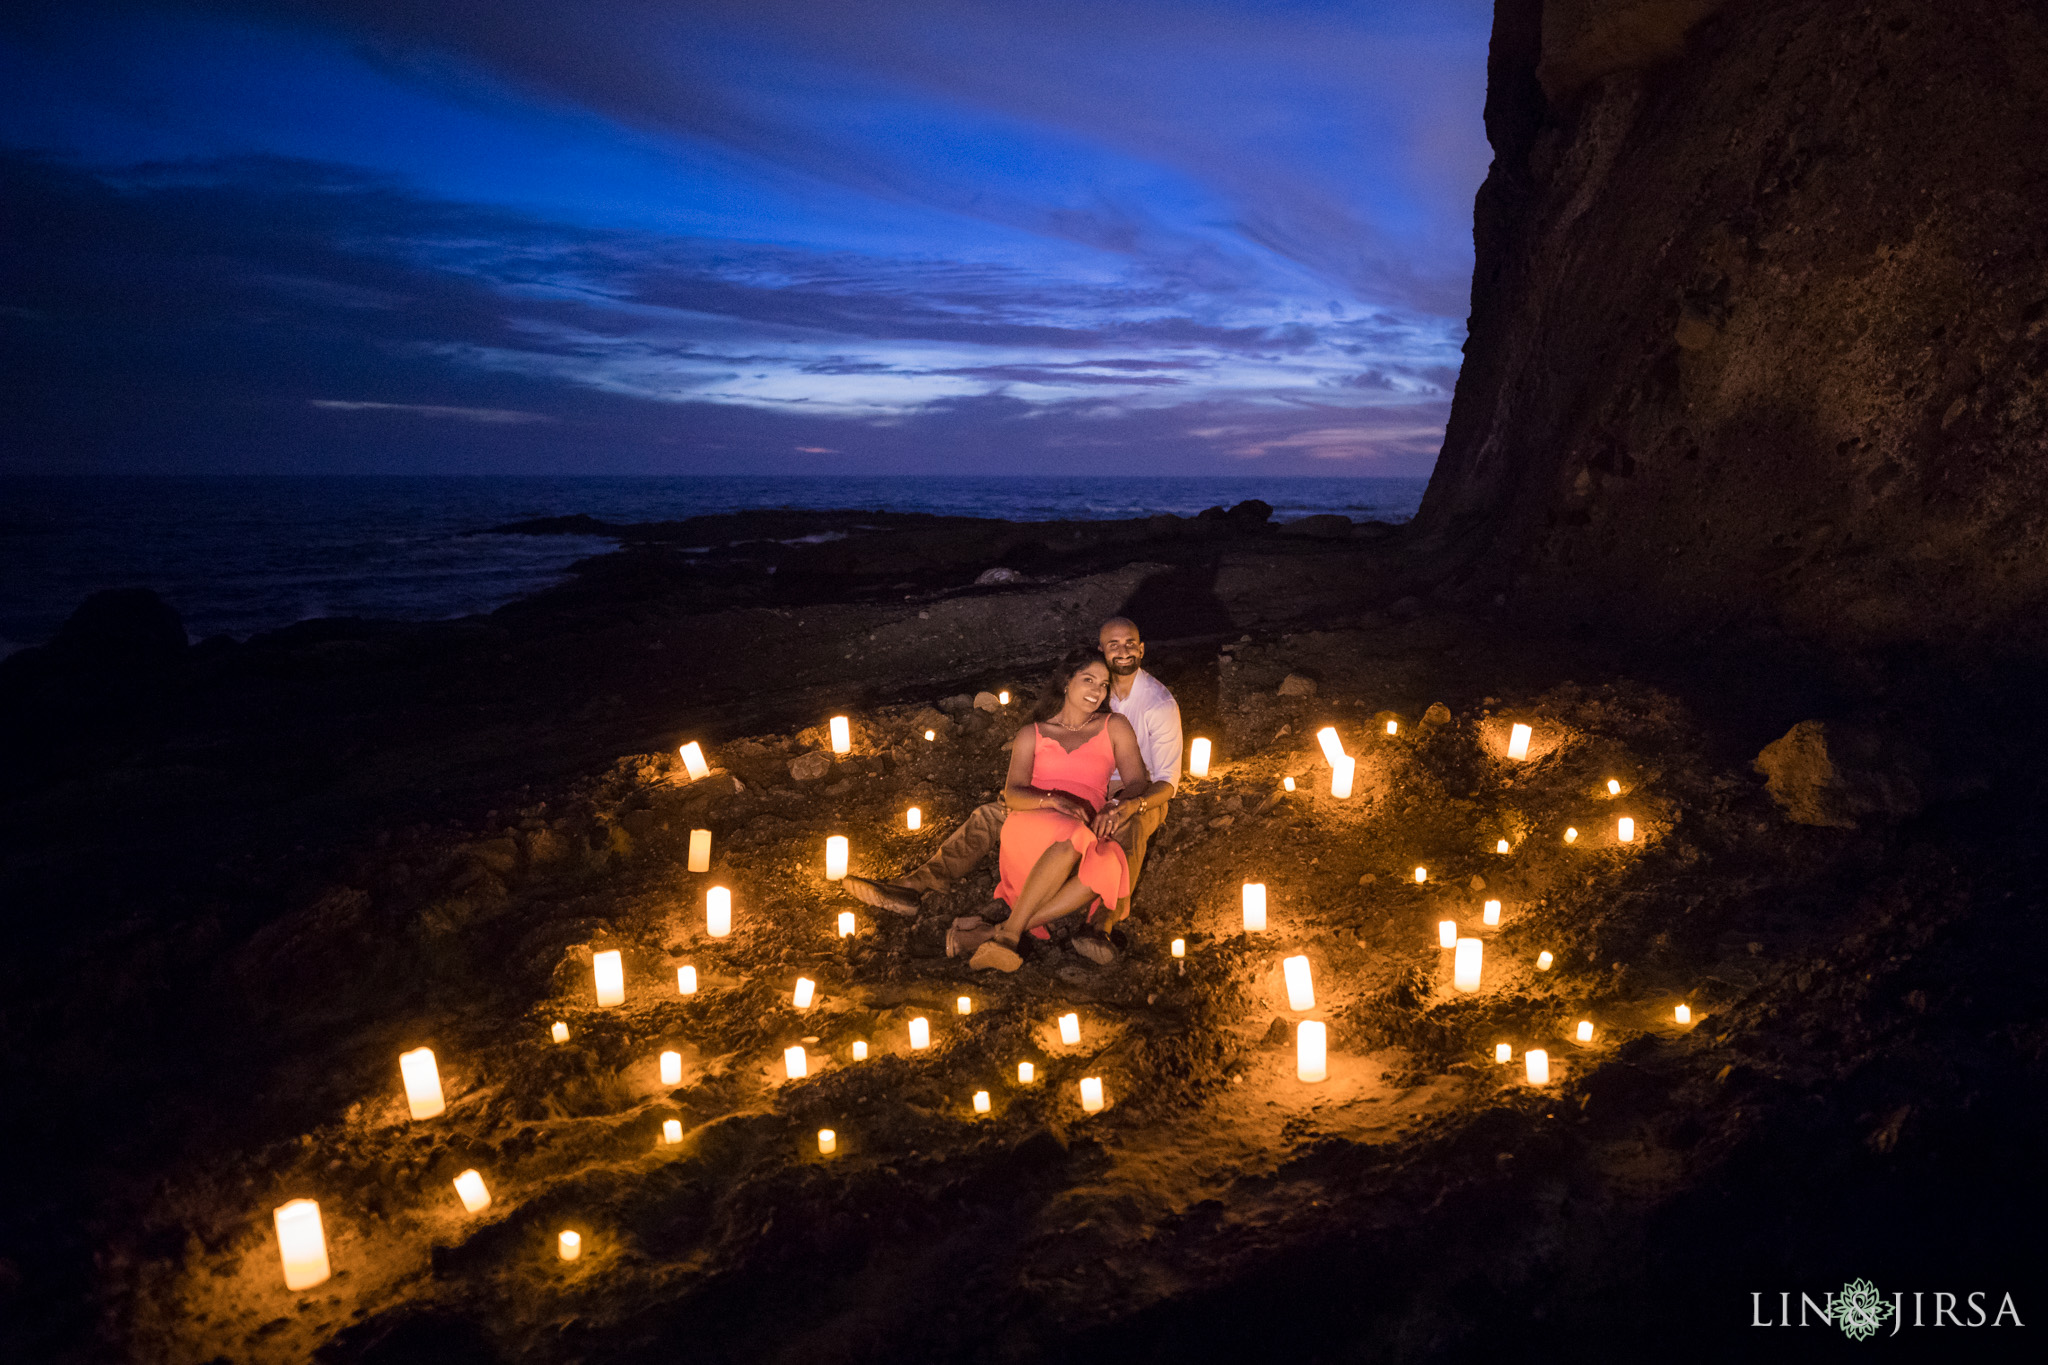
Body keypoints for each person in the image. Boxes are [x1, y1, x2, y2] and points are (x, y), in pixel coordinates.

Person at [838, 616, 1182, 962]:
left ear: (1141, 648)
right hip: (1069, 799)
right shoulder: (1061, 717)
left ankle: (1099, 925)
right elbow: (1026, 779)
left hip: (1138, 793)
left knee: (1128, 830)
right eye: (1113, 646)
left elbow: (1164, 781)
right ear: (1100, 652)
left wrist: (1126, 804)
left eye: (1129, 644)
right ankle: (914, 885)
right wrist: (1041, 799)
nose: (1122, 652)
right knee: (991, 814)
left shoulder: (1156, 705)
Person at [948, 649, 1165, 973]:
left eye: (1104, 685)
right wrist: (1051, 800)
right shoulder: (1032, 734)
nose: (1096, 691)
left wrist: (1115, 806)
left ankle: (1001, 932)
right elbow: (1013, 794)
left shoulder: (1114, 726)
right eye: (1088, 680)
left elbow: (1136, 782)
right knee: (1077, 836)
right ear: (1066, 682)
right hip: (1031, 822)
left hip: (1080, 822)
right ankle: (1003, 933)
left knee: (1109, 865)